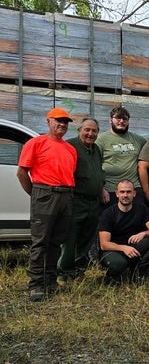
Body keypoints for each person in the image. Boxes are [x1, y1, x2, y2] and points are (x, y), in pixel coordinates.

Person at [17, 107, 78, 301]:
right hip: (45, 193)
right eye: (58, 120)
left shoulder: (70, 149)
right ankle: (36, 284)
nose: (62, 124)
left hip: (66, 196)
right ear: (48, 121)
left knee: (56, 242)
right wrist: (36, 194)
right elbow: (21, 172)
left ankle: (50, 282)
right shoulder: (36, 143)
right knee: (40, 242)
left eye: (65, 122)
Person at [58, 117, 104, 284]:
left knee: (87, 237)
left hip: (93, 201)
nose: (90, 134)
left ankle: (78, 271)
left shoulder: (96, 149)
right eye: (87, 130)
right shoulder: (70, 146)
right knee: (70, 238)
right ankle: (63, 272)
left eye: (94, 131)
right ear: (79, 131)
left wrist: (102, 187)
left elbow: (98, 171)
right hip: (76, 199)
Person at [98, 180, 149, 283]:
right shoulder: (108, 214)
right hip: (115, 250)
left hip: (134, 247)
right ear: (117, 194)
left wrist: (143, 234)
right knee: (119, 264)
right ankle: (111, 277)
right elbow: (104, 244)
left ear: (134, 194)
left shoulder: (141, 208)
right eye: (122, 192)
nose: (125, 195)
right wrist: (123, 248)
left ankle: (139, 271)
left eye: (128, 192)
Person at [96, 106, 147, 208]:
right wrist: (101, 189)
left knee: (138, 220)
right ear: (110, 120)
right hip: (110, 190)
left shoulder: (138, 140)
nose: (121, 121)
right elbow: (94, 166)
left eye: (125, 119)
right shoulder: (101, 140)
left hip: (134, 189)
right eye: (118, 118)